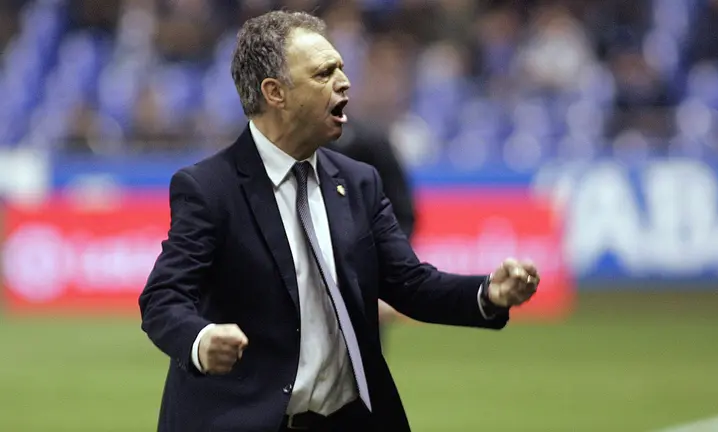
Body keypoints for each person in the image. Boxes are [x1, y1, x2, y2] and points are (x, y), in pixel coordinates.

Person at [138, 11, 540, 432]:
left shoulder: (358, 182)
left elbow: (411, 284)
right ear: (275, 92)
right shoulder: (210, 188)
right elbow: (163, 298)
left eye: (341, 68)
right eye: (323, 73)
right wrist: (201, 342)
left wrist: (488, 293)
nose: (343, 82)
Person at [325, 119, 415, 344]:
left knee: (362, 366)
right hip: (309, 283)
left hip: (364, 276)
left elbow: (402, 213)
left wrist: (384, 279)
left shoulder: (372, 144)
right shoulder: (289, 147)